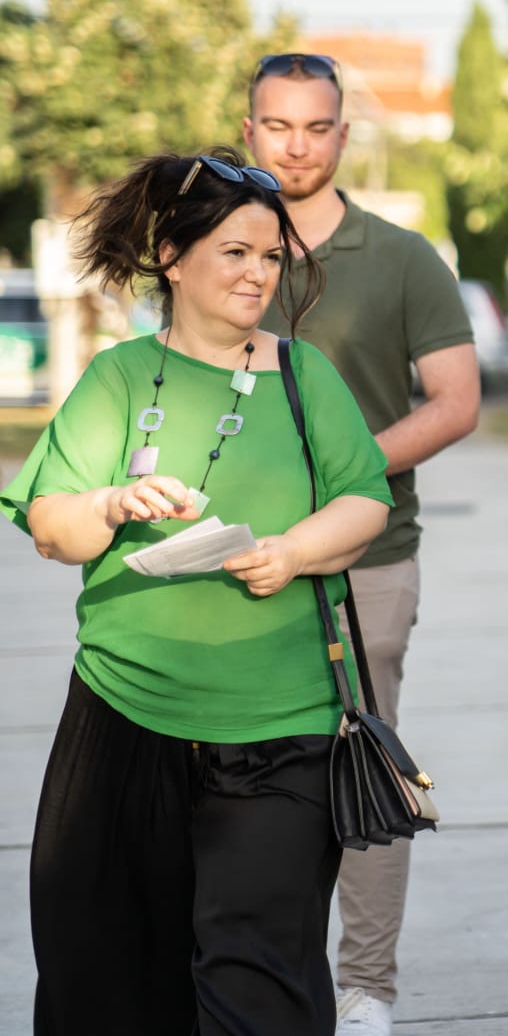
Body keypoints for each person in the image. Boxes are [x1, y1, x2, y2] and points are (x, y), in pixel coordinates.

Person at [2, 148, 393, 1035]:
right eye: (235, 253)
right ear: (174, 258)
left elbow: (367, 497)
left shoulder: (306, 377)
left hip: (282, 728)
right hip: (124, 718)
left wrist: (295, 551)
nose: (259, 274)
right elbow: (49, 526)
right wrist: (108, 503)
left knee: (259, 979)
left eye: (270, 256)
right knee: (103, 966)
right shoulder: (119, 378)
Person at [243, 52, 481, 1036]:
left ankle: (368, 990)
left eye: (316, 127)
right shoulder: (221, 247)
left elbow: (458, 402)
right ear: (248, 129)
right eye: (276, 125)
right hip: (240, 561)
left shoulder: (402, 258)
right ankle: (261, 972)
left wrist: (342, 475)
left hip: (368, 565)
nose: (295, 146)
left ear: (343, 136)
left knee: (362, 765)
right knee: (250, 773)